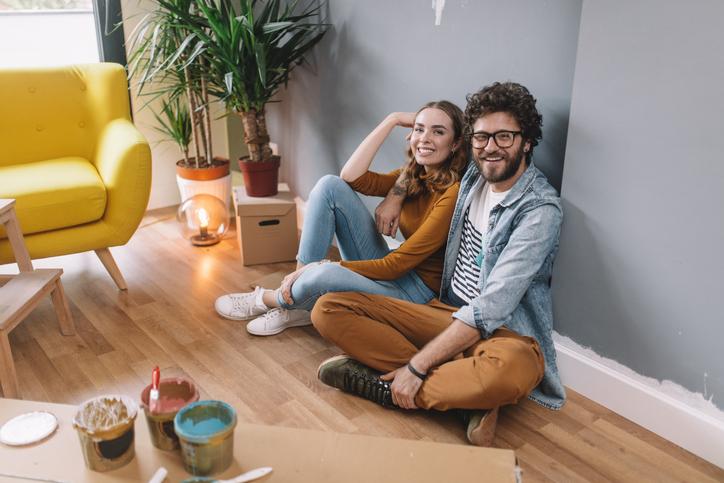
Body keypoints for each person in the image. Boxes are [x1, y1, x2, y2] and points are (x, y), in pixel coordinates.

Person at [312, 82, 565, 447]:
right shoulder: (472, 175)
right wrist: (396, 196)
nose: (491, 147)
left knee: (514, 369)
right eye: (482, 137)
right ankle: (465, 401)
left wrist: (417, 367)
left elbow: (490, 309)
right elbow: (422, 153)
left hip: (498, 332)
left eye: (505, 137)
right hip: (439, 308)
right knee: (328, 308)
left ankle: (387, 387)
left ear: (527, 141)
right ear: (469, 142)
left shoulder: (538, 210)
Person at [215, 101, 468, 336]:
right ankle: (296, 304)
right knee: (330, 186)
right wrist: (390, 120)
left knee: (324, 273)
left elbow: (396, 266)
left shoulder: (451, 194)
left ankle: (269, 299)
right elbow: (351, 176)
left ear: (455, 143)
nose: (424, 139)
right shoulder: (412, 177)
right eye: (419, 129)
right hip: (392, 270)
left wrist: (324, 266)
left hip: (412, 291)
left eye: (438, 132)